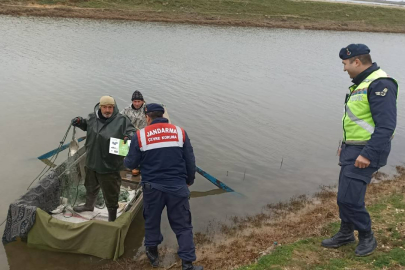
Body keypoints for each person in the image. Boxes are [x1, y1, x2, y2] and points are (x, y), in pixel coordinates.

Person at [321, 44, 398, 256]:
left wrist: (367, 154)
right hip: (351, 150)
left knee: (350, 199)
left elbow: (386, 127)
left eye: (345, 64)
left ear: (356, 61)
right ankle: (346, 232)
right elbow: (356, 121)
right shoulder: (361, 84)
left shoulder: (380, 84)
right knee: (343, 196)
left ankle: (367, 236)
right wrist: (344, 146)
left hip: (366, 152)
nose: (344, 69)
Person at [124, 104, 203, 270]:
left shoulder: (140, 136)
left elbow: (130, 163)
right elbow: (190, 160)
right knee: (183, 226)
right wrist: (189, 180)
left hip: (153, 188)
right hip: (177, 186)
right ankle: (188, 264)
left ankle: (153, 256)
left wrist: (131, 151)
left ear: (147, 117)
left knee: (152, 222)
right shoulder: (180, 132)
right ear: (163, 116)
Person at [71, 96, 135, 222]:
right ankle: (89, 206)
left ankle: (112, 217)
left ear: (114, 107)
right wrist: (79, 122)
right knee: (90, 186)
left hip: (109, 165)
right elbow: (86, 125)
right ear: (100, 107)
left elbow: (132, 131)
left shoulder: (122, 120)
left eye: (110, 107)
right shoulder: (92, 117)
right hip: (91, 161)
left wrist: (130, 136)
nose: (107, 110)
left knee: (111, 193)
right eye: (105, 107)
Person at [121, 90, 147, 176]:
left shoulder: (147, 110)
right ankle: (124, 161)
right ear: (132, 101)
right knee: (122, 142)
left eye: (139, 101)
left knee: (140, 148)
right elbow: (120, 121)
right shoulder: (126, 110)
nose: (136, 103)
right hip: (129, 134)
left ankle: (138, 166)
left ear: (142, 101)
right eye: (135, 101)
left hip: (143, 134)